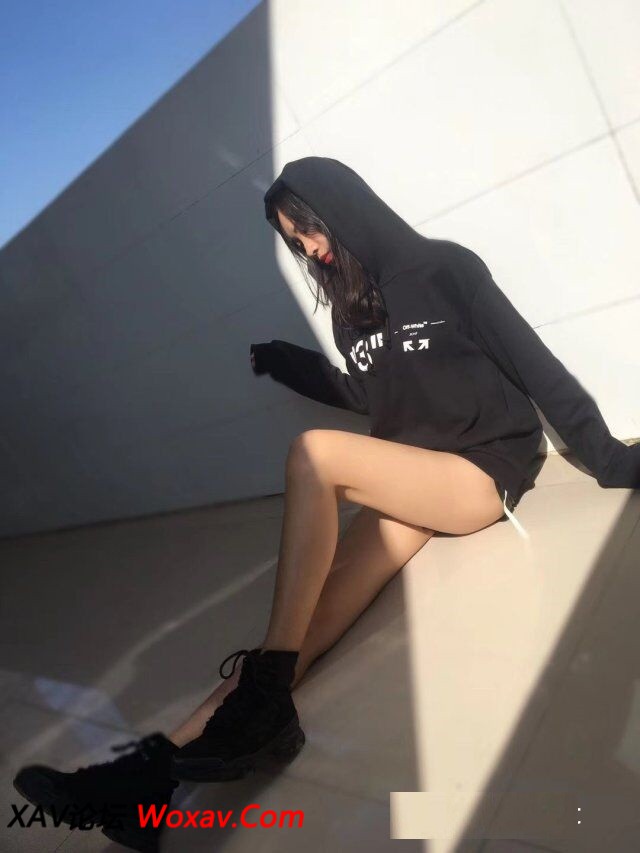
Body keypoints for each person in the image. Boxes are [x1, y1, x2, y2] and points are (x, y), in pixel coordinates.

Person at [12, 156, 639, 852]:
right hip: (414, 479)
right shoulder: (352, 309)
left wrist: (610, 458)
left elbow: (534, 364)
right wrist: (291, 361)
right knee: (296, 628)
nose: (309, 248)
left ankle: (260, 714)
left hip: (481, 471)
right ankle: (145, 787)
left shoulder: (445, 270)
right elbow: (366, 395)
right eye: (294, 241)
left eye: (308, 228)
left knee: (315, 455)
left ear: (341, 206)